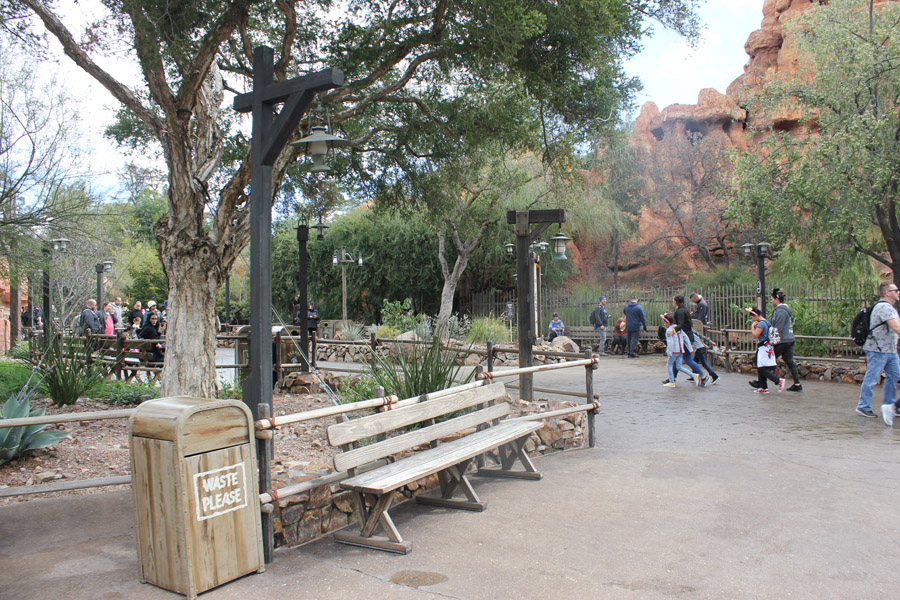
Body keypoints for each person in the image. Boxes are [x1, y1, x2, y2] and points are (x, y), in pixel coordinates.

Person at [856, 281, 900, 420]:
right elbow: (895, 327)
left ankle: (889, 405)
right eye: (896, 290)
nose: (898, 293)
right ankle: (863, 406)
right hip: (878, 349)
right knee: (872, 378)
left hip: (890, 350)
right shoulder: (884, 307)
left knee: (894, 376)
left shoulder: (890, 308)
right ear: (888, 293)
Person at [670, 295, 708, 385]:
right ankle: (672, 379)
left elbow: (681, 324)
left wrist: (673, 330)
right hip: (686, 336)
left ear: (675, 302)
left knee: (687, 359)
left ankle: (703, 376)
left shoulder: (680, 311)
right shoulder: (684, 310)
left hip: (684, 337)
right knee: (677, 358)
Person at [747, 306, 784, 394]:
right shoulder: (767, 322)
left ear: (755, 315)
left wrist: (753, 327)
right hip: (768, 346)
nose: (752, 319)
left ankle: (778, 380)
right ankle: (763, 386)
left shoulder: (761, 324)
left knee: (762, 368)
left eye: (752, 316)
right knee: (761, 367)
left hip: (763, 347)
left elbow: (755, 335)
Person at [770, 288, 802, 392]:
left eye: (772, 299)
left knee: (768, 359)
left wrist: (770, 339)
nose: (771, 301)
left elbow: (777, 328)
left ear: (776, 299)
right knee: (789, 361)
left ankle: (764, 382)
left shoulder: (780, 312)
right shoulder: (784, 310)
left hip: (782, 340)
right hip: (789, 339)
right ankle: (797, 384)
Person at [661, 313, 696, 387]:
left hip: (674, 351)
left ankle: (672, 381)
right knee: (679, 366)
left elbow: (670, 343)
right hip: (681, 350)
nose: (664, 324)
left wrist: (669, 352)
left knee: (669, 365)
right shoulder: (678, 328)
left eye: (664, 322)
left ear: (667, 322)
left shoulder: (669, 331)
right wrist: (690, 348)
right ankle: (694, 375)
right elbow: (686, 338)